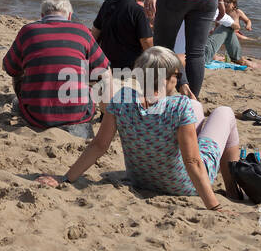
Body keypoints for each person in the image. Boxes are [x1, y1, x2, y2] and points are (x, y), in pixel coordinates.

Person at [35, 46, 240, 212]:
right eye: (177, 74)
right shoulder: (179, 106)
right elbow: (193, 161)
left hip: (141, 179)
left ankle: (199, 142)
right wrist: (214, 206)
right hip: (183, 184)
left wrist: (66, 178)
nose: (178, 79)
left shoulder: (121, 99)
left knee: (196, 108)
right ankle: (232, 190)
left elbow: (99, 146)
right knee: (224, 112)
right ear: (167, 77)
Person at [4, 0, 110, 139]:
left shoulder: (28, 31)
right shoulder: (83, 31)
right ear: (70, 16)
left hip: (36, 115)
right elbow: (104, 69)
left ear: (42, 16)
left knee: (17, 67)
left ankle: (28, 100)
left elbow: (9, 68)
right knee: (101, 72)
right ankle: (106, 116)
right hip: (77, 114)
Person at [91, 0, 153, 71]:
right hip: (129, 68)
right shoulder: (138, 11)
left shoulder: (107, 3)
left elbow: (94, 35)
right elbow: (147, 44)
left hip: (106, 66)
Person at [205, 0, 257, 67]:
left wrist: (248, 26)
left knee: (241, 37)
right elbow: (217, 25)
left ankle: (253, 40)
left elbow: (247, 20)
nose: (225, 4)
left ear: (234, 4)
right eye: (224, 2)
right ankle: (235, 57)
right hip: (225, 31)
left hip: (235, 31)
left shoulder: (237, 12)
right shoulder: (221, 12)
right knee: (214, 34)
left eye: (228, 2)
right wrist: (214, 30)